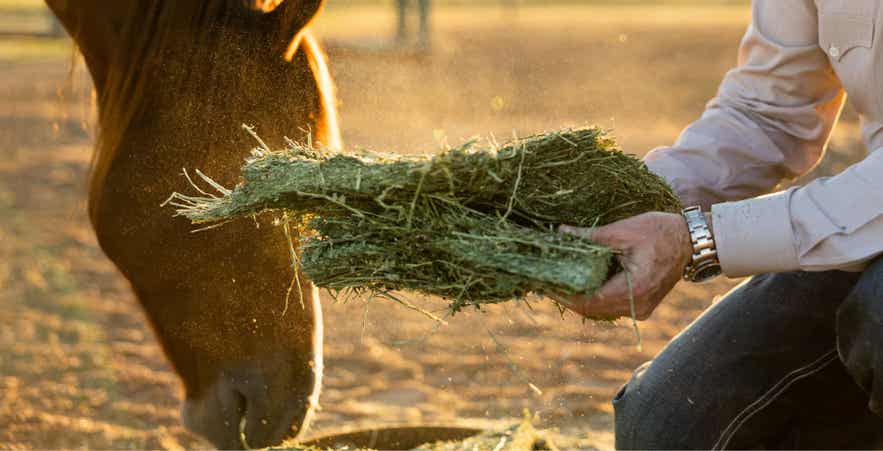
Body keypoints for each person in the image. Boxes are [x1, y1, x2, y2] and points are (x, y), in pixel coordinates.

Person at [557, 1, 883, 448]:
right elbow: (768, 112)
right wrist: (634, 199)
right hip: (866, 224)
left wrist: (698, 239)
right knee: (668, 429)